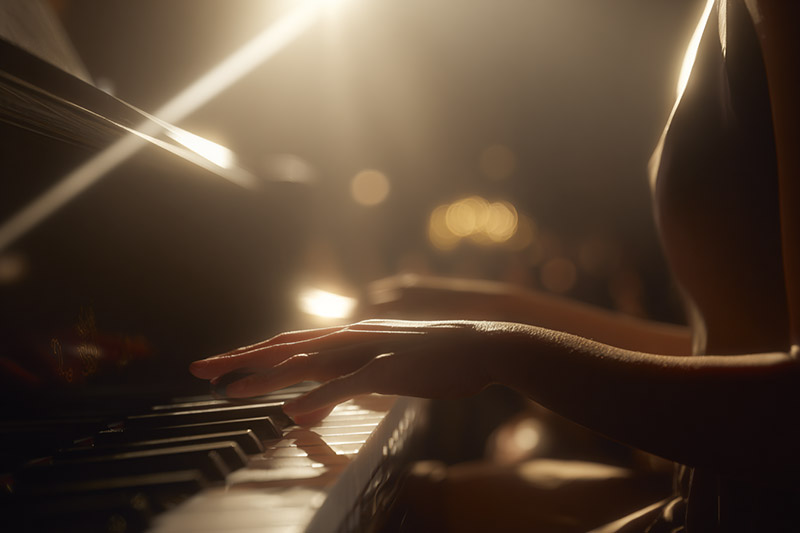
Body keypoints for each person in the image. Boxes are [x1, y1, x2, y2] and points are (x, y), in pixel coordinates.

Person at [190, 1, 799, 530]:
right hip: (706, 497)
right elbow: (727, 349)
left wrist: (498, 349)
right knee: (401, 500)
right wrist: (493, 310)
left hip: (742, 513)